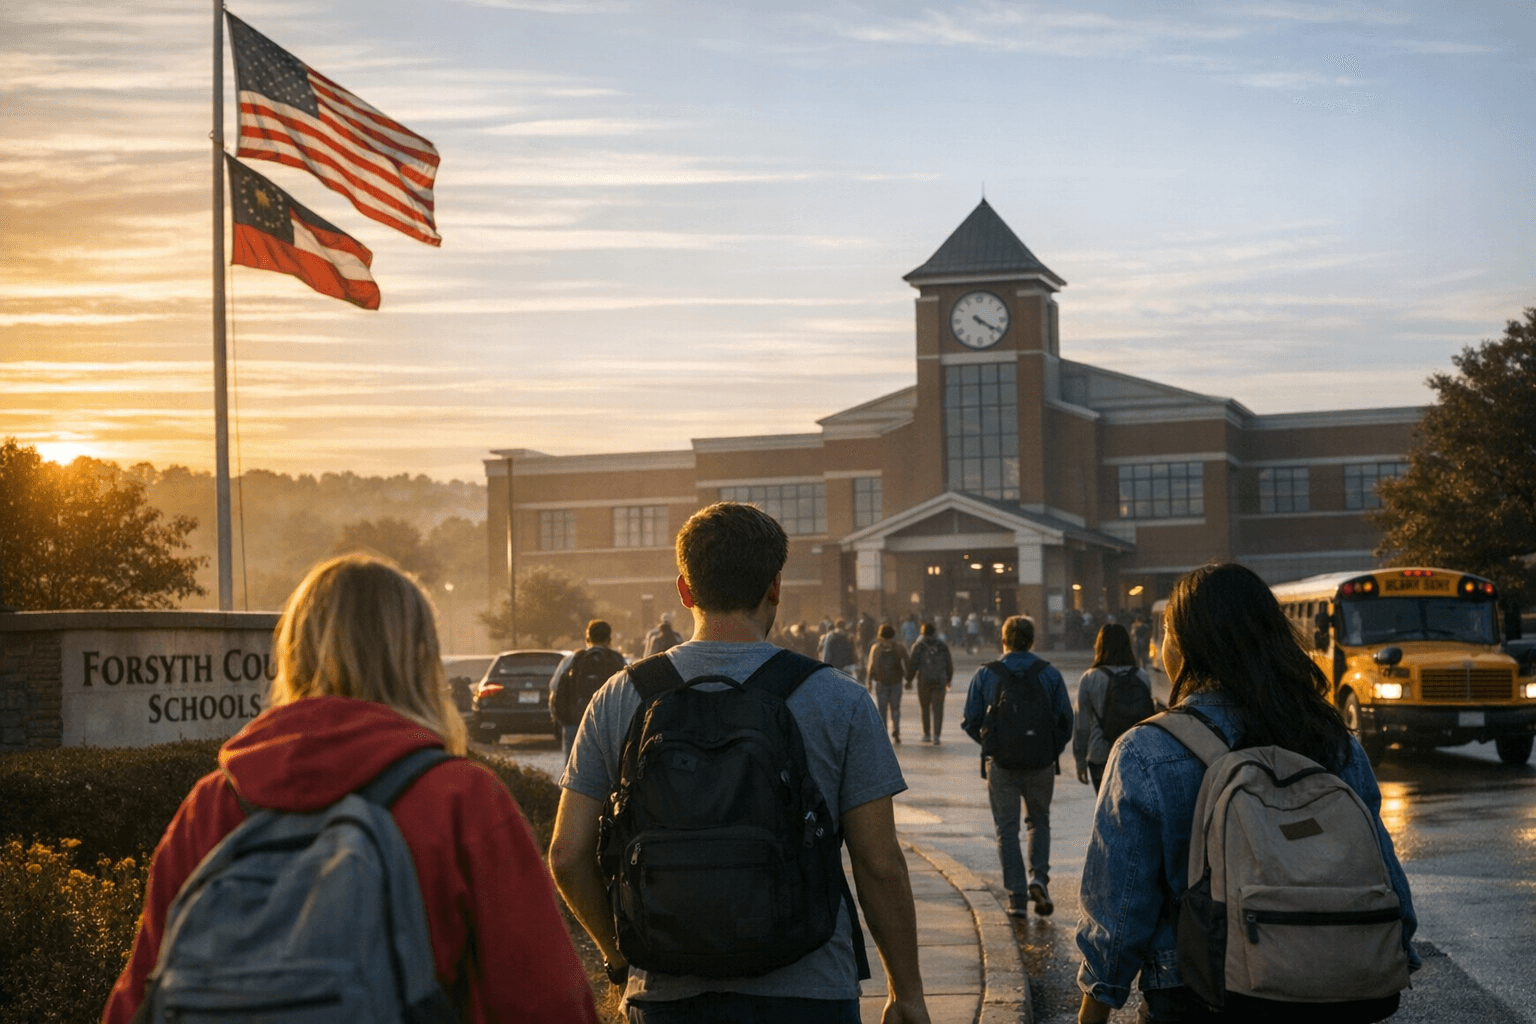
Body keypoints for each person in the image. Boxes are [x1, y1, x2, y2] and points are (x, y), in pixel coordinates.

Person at [103, 554, 596, 1024]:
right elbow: (546, 1002)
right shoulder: (460, 800)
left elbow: (139, 999)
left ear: (293, 655)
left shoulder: (213, 804)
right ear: (420, 659)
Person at [548, 502, 931, 1024]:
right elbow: (880, 864)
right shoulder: (839, 699)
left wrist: (620, 958)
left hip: (665, 995)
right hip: (809, 991)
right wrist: (907, 994)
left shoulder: (620, 697)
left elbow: (567, 853)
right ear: (775, 587)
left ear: (684, 591)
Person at [1074, 563, 1420, 1024]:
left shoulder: (1146, 751)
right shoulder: (1333, 740)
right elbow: (1389, 883)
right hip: (1334, 991)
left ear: (1185, 645)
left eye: (1168, 633)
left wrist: (1096, 1004)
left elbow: (1120, 910)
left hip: (1198, 993)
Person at [961, 615, 1072, 918]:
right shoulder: (1049, 673)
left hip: (1001, 766)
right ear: (1032, 641)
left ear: (1003, 640)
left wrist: (992, 745)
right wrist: (1049, 749)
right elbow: (1066, 720)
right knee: (1039, 821)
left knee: (1007, 829)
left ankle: (1017, 898)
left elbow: (970, 720)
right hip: (1041, 764)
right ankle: (1039, 878)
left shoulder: (986, 674)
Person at [1072, 623, 1153, 793]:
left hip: (1101, 754)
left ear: (1099, 646)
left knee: (1106, 806)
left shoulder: (1089, 678)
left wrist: (1080, 760)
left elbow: (1082, 725)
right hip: (1135, 753)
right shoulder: (1142, 676)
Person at [549, 618, 628, 761]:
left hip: (575, 722)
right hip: (609, 724)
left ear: (587, 638)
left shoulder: (572, 659)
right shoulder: (617, 659)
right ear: (609, 639)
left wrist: (561, 720)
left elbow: (554, 688)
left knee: (573, 766)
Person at [908, 622, 953, 744]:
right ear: (934, 632)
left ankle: (927, 734)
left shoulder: (918, 646)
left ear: (922, 633)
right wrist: (949, 679)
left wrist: (909, 680)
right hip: (940, 680)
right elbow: (949, 663)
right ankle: (937, 736)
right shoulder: (942, 645)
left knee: (925, 707)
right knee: (938, 708)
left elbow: (913, 664)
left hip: (924, 680)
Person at [866, 623, 911, 743]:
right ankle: (896, 730)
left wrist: (869, 682)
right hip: (896, 682)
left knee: (882, 710)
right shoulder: (900, 647)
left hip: (881, 682)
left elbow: (870, 666)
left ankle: (883, 734)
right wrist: (909, 679)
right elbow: (907, 663)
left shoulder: (875, 648)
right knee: (895, 708)